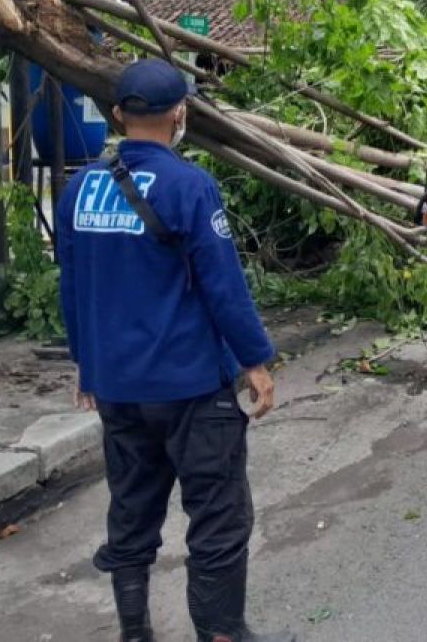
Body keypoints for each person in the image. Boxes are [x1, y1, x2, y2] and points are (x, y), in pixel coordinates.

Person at [56, 59, 294, 642]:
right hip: (189, 386)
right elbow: (223, 285)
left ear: (118, 115)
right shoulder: (190, 186)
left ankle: (135, 632)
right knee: (217, 515)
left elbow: (72, 283)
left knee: (131, 514)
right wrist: (255, 362)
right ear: (180, 114)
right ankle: (220, 633)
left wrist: (86, 363)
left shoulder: (79, 189)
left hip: (118, 388)